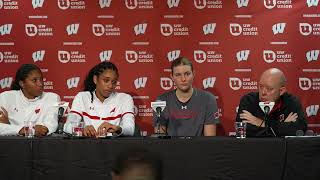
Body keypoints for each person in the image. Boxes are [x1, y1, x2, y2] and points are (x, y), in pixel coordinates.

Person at [64, 61, 135, 137]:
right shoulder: (82, 97)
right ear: (95, 79)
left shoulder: (125, 99)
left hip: (114, 146)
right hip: (87, 146)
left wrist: (118, 129)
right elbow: (67, 127)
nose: (110, 86)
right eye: (106, 80)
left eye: (114, 82)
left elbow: (130, 129)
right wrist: (82, 130)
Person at [153, 57, 220, 136]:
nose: (183, 79)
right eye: (178, 75)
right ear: (172, 77)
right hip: (171, 147)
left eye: (187, 74)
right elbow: (160, 140)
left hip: (200, 147)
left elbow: (210, 140)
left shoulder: (208, 99)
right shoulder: (161, 101)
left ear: (193, 74)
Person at [236, 68, 307, 137]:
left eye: (269, 89)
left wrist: (261, 123)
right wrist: (282, 126)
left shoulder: (291, 102)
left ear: (281, 91)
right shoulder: (249, 100)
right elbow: (242, 131)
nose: (263, 92)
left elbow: (299, 130)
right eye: (261, 87)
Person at [0, 64, 60, 136]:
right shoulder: (6, 97)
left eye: (41, 79)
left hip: (40, 145)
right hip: (10, 146)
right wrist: (23, 130)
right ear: (22, 84)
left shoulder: (52, 98)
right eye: (34, 80)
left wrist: (10, 127)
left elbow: (48, 127)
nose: (40, 84)